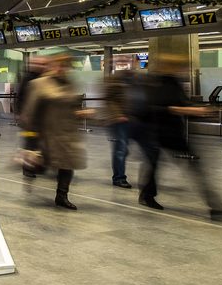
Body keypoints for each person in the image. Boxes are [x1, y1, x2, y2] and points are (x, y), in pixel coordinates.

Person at [133, 54, 222, 220]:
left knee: (182, 166)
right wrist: (183, 110)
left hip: (173, 133)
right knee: (156, 166)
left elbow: (183, 103)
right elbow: (155, 108)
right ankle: (147, 195)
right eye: (180, 67)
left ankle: (216, 206)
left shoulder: (174, 83)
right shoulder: (155, 83)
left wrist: (198, 111)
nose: (183, 70)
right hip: (157, 133)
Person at [21, 55, 91, 210]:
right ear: (52, 66)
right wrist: (31, 139)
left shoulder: (70, 84)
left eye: (66, 66)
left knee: (67, 165)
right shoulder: (39, 84)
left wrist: (80, 113)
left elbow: (73, 106)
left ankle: (62, 196)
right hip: (47, 134)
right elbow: (29, 113)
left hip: (67, 133)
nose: (62, 69)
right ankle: (29, 173)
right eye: (60, 65)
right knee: (40, 164)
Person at [14, 56, 47, 178]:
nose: (40, 66)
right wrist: (19, 114)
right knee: (30, 144)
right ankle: (27, 168)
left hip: (42, 119)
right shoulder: (27, 78)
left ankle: (38, 165)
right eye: (38, 64)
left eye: (43, 64)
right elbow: (19, 97)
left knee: (41, 144)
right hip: (29, 120)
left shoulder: (44, 77)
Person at [103, 71, 133, 188]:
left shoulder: (129, 82)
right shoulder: (115, 83)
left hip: (128, 120)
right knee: (120, 150)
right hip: (119, 121)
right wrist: (118, 115)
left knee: (123, 150)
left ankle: (119, 176)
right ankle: (119, 178)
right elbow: (110, 101)